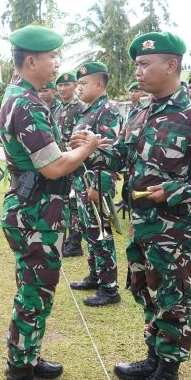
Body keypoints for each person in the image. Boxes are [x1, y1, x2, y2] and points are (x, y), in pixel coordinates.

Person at [74, 31, 191, 380]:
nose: (139, 71)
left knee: (174, 294)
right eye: (137, 64)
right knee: (147, 289)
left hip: (176, 227)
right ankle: (154, 357)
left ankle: (169, 374)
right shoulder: (141, 110)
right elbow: (121, 156)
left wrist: (179, 190)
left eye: (146, 64)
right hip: (143, 221)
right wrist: (89, 151)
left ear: (172, 65)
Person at [0, 25, 102, 380]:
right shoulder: (26, 103)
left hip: (38, 209)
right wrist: (87, 148)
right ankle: (19, 377)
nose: (57, 64)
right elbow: (54, 168)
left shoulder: (21, 98)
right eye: (52, 57)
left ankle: (29, 356)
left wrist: (71, 145)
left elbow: (47, 154)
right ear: (31, 61)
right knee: (33, 293)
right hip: (37, 212)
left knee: (36, 290)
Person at [67, 62, 124, 307]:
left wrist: (100, 186)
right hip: (82, 179)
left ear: (99, 84)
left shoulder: (108, 110)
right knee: (91, 232)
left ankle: (109, 288)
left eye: (83, 83)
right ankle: (95, 276)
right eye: (78, 84)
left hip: (95, 182)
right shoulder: (88, 111)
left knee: (101, 233)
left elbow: (108, 152)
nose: (78, 88)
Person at [55, 71, 87, 258]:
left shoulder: (81, 108)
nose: (62, 88)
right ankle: (69, 239)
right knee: (66, 201)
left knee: (75, 202)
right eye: (59, 85)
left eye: (67, 85)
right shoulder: (58, 109)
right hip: (62, 161)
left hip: (76, 162)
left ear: (75, 86)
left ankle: (75, 241)